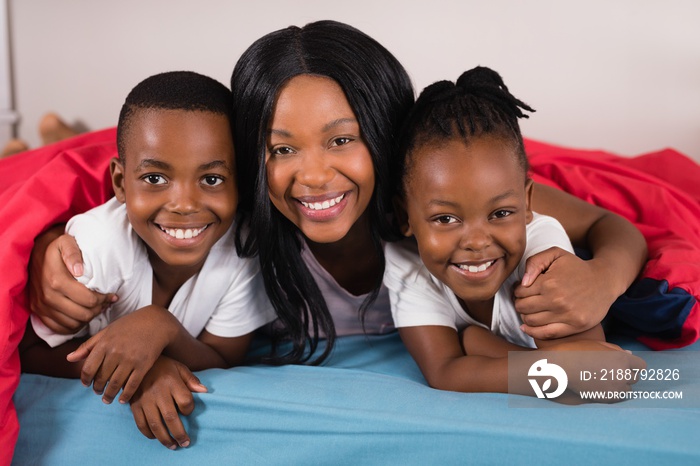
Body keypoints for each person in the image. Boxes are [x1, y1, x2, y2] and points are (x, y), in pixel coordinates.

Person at [27, 19, 646, 440]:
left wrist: (604, 278)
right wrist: (45, 254)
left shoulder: (452, 201)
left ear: (381, 132)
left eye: (342, 140)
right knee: (58, 159)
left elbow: (609, 224)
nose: (313, 176)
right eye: (280, 149)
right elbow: (130, 211)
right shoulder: (232, 222)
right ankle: (59, 129)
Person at [20, 70, 275, 430]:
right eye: (155, 178)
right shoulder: (94, 249)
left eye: (211, 179)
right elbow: (27, 352)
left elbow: (223, 358)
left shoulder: (244, 250)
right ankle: (35, 148)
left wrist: (162, 327)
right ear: (121, 184)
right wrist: (136, 371)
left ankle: (57, 137)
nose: (184, 204)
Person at [384, 66, 645, 395]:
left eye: (501, 213)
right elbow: (445, 370)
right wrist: (551, 370)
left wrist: (487, 352)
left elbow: (596, 375)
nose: (477, 242)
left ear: (527, 203)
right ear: (404, 215)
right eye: (445, 219)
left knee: (473, 337)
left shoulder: (542, 250)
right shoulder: (405, 261)